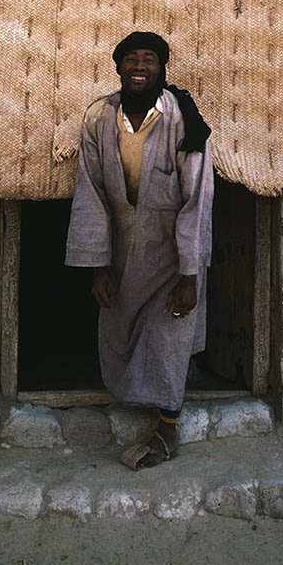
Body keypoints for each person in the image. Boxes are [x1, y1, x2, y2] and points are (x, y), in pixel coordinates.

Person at [65, 30, 214, 469]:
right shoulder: (98, 118)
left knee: (169, 330)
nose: (140, 67)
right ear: (118, 67)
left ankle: (168, 425)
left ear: (162, 69)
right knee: (119, 326)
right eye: (131, 59)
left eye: (149, 59)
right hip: (124, 247)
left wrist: (190, 274)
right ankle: (139, 397)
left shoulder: (182, 119)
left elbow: (197, 198)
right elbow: (90, 191)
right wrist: (99, 266)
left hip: (173, 251)